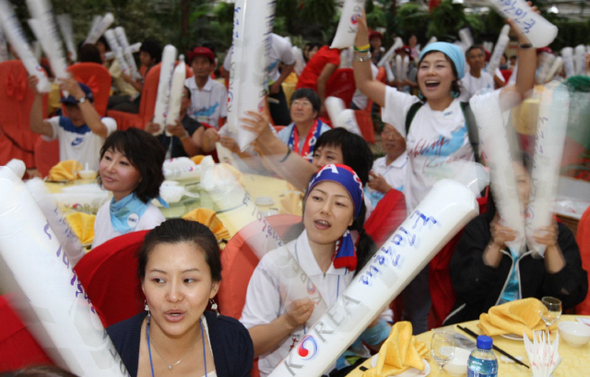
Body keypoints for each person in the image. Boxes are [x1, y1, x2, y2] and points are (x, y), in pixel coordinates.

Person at [352, 10, 537, 333]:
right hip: (417, 234)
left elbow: (521, 88)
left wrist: (525, 37)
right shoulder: (408, 109)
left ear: (455, 75)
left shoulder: (473, 110)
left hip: (459, 235)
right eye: (424, 65)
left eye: (440, 65)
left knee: (455, 305)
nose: (430, 72)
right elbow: (365, 81)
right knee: (416, 308)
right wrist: (360, 39)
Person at [241, 164, 391, 377]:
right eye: (318, 198)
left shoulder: (362, 265)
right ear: (305, 205)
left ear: (351, 219)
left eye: (339, 203)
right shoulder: (275, 265)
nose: (325, 209)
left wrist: (371, 323)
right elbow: (247, 345)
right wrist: (288, 322)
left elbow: (388, 342)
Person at [445, 159, 588, 324]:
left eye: (519, 181)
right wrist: (496, 245)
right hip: (479, 326)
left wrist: (551, 246)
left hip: (533, 330)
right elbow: (466, 289)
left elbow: (571, 296)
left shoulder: (558, 234)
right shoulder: (479, 229)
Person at [108, 219, 254, 377]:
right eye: (159, 280)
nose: (173, 296)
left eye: (189, 280)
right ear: (143, 284)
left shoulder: (234, 341)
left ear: (214, 286)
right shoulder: (109, 348)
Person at [92, 128, 166, 248]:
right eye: (108, 158)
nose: (110, 168)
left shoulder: (151, 222)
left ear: (143, 174)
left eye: (123, 163)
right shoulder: (105, 210)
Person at [29, 77, 117, 171]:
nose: (74, 114)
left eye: (78, 107)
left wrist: (80, 96)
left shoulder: (108, 122)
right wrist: (38, 96)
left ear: (91, 105)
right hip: (67, 181)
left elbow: (98, 128)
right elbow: (36, 127)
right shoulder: (62, 124)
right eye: (70, 108)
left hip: (93, 182)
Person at [223, 33, 296, 126]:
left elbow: (291, 62)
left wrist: (277, 83)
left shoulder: (282, 44)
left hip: (272, 87)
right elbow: (226, 71)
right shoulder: (240, 45)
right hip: (248, 90)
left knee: (283, 121)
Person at [145, 86, 204, 158]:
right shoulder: (158, 121)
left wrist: (183, 136)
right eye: (172, 96)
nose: (176, 99)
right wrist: (146, 133)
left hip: (183, 167)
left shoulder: (197, 127)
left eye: (182, 96)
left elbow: (196, 154)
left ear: (189, 102)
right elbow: (141, 148)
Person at [276, 88, 331, 161]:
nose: (299, 107)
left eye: (305, 104)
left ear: (315, 113)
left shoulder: (326, 135)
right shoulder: (283, 134)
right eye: (295, 103)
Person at [365, 123, 407, 207]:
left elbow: (415, 204)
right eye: (387, 132)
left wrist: (387, 189)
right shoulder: (376, 163)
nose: (390, 138)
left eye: (397, 133)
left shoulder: (410, 168)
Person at [185, 46, 227, 129]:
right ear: (191, 65)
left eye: (204, 62)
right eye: (196, 63)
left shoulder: (220, 88)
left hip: (211, 135)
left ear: (212, 66)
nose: (200, 67)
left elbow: (226, 117)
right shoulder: (184, 86)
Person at [296, 45, 342, 116]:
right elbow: (321, 81)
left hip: (302, 86)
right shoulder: (334, 58)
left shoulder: (325, 49)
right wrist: (321, 104)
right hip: (311, 92)